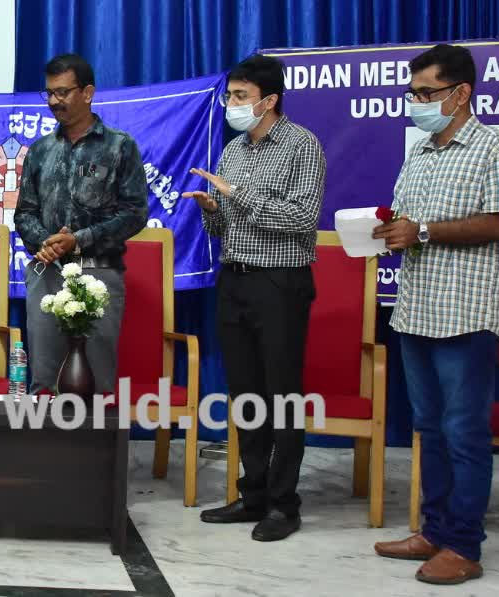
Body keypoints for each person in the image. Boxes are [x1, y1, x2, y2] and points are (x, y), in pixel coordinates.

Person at [372, 44, 499, 585]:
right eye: (412, 93)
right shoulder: (418, 152)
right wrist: (390, 231)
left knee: (464, 432)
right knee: (429, 429)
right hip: (416, 309)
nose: (416, 102)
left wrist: (424, 232)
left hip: (466, 313)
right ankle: (433, 531)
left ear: (461, 94)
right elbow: (408, 221)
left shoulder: (495, 145)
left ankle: (463, 544)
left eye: (425, 93)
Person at [184, 54, 325, 542]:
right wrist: (212, 209)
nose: (232, 104)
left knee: (281, 395)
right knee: (245, 393)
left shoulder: (302, 145)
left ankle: (285, 505)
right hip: (236, 280)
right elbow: (224, 227)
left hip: (280, 283)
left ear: (269, 101)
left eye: (241, 97)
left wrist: (236, 194)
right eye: (230, 96)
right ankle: (254, 494)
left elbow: (302, 218)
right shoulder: (234, 150)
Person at [14, 54, 148, 396]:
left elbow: (135, 213)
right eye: (49, 93)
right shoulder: (40, 150)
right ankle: (44, 434)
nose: (54, 101)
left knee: (95, 381)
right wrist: (45, 242)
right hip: (47, 273)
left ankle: (95, 433)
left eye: (63, 92)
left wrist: (79, 240)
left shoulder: (119, 146)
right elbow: (24, 213)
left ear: (87, 93)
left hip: (98, 274)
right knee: (45, 381)